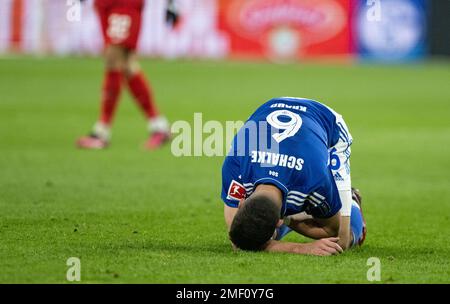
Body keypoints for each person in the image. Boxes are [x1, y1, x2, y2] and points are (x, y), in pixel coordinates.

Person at [221, 97, 366, 256]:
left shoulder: (315, 179)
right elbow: (238, 240)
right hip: (269, 109)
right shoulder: (236, 160)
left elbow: (331, 231)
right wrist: (303, 248)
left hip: (326, 121)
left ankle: (353, 203)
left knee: (341, 240)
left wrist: (287, 223)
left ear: (241, 203)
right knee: (250, 233)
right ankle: (276, 218)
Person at [77, 0, 179, 149]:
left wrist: (171, 4)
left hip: (125, 4)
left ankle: (101, 132)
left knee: (114, 57)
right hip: (104, 4)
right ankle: (159, 126)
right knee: (127, 66)